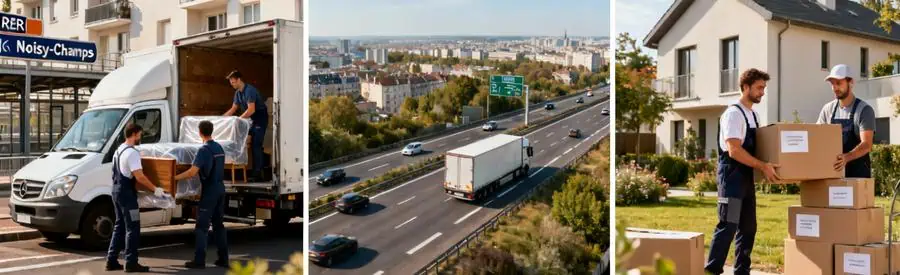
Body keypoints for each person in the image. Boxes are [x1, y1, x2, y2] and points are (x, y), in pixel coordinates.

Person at [705, 69, 781, 275]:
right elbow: (734, 150)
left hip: (746, 179)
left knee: (748, 228)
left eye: (764, 88)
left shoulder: (754, 115)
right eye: (759, 88)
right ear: (745, 87)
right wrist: (762, 166)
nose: (762, 92)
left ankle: (741, 271)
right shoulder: (733, 114)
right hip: (731, 178)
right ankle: (712, 270)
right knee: (728, 225)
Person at [106, 123, 164, 273]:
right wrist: (155, 189)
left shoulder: (119, 150)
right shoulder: (132, 153)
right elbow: (139, 176)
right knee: (133, 227)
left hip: (116, 191)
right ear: (134, 134)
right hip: (126, 195)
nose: (140, 137)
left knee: (119, 226)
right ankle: (131, 262)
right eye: (140, 134)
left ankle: (111, 261)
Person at [175, 120, 229, 269]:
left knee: (201, 227)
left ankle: (199, 261)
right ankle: (223, 259)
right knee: (219, 225)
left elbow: (192, 172)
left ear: (199, 132)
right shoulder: (219, 147)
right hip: (220, 188)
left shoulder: (203, 150)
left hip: (210, 190)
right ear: (211, 131)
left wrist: (174, 178)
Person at [817, 64, 875, 178]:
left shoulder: (864, 110)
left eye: (838, 83)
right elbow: (817, 137)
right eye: (832, 84)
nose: (835, 88)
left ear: (851, 83)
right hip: (833, 174)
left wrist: (846, 158)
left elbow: (867, 144)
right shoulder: (827, 110)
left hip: (858, 177)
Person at [223, 69, 268, 182]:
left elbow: (251, 110)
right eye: (231, 83)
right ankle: (248, 170)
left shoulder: (249, 91)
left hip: (259, 119)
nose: (232, 85)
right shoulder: (238, 93)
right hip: (250, 120)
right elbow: (233, 108)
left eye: (233, 82)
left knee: (256, 144)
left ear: (239, 80)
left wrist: (238, 120)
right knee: (243, 143)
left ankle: (258, 174)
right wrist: (222, 118)